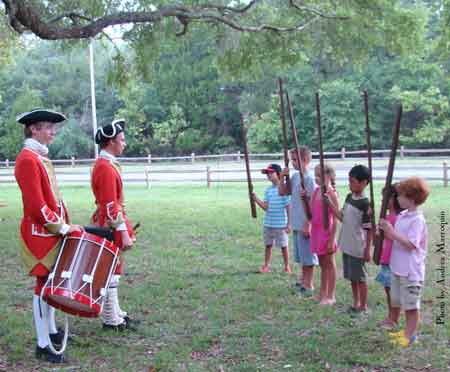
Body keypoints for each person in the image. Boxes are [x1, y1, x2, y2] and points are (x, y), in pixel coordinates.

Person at [14, 108, 83, 363]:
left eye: (53, 127)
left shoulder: (38, 156)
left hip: (49, 232)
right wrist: (62, 227)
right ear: (34, 129)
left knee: (51, 283)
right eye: (48, 127)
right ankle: (43, 344)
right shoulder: (28, 159)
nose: (53, 131)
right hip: (39, 234)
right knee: (43, 287)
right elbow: (36, 206)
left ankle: (52, 332)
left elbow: (51, 199)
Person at [91, 119, 137, 331]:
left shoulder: (106, 165)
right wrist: (123, 233)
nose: (124, 144)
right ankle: (110, 319)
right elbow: (110, 206)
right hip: (110, 225)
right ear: (110, 142)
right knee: (111, 270)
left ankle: (116, 314)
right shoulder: (106, 168)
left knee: (114, 269)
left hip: (111, 222)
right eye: (121, 140)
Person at [379, 177, 430, 347]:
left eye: (400, 195)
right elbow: (394, 238)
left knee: (411, 306)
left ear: (412, 198)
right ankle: (406, 331)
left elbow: (410, 244)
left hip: (411, 271)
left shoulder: (417, 220)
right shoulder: (402, 216)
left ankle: (410, 335)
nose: (397, 198)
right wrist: (384, 232)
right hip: (398, 268)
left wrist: (391, 232)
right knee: (398, 300)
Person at [327, 164, 372, 314]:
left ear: (364, 182)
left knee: (360, 278)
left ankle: (363, 306)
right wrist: (331, 204)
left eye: (353, 181)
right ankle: (356, 303)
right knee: (352, 278)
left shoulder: (365, 204)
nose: (350, 184)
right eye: (349, 181)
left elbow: (369, 229)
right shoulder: (348, 197)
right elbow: (342, 217)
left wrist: (367, 250)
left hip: (358, 246)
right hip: (347, 244)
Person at [279, 147, 318, 297]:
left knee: (308, 256)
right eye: (292, 160)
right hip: (296, 222)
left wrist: (309, 223)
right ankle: (303, 280)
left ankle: (309, 284)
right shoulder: (295, 177)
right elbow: (282, 192)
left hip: (304, 223)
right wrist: (282, 177)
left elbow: (314, 203)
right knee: (301, 255)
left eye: (295, 160)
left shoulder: (309, 179)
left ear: (306, 160)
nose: (293, 163)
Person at [252, 163, 291, 273]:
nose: (268, 175)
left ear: (278, 173)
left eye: (270, 172)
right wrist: (256, 199)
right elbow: (266, 207)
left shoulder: (283, 190)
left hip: (280, 224)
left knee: (284, 246)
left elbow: (288, 207)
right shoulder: (268, 190)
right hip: (268, 223)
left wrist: (289, 224)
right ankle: (266, 265)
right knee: (268, 245)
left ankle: (287, 266)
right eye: (267, 173)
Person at [309, 163, 338, 305]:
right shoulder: (316, 192)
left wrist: (332, 240)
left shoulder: (331, 193)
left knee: (329, 264)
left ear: (328, 176)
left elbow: (336, 218)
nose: (316, 178)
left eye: (319, 176)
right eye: (315, 176)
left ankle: (331, 295)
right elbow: (311, 213)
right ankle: (323, 293)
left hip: (327, 233)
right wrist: (304, 199)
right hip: (317, 232)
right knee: (322, 264)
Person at [375, 185, 403, 330]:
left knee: (393, 290)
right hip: (386, 259)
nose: (382, 200)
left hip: (394, 259)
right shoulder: (386, 217)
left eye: (385, 197)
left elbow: (395, 237)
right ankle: (390, 316)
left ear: (393, 199)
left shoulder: (398, 218)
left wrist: (384, 231)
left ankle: (394, 318)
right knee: (388, 288)